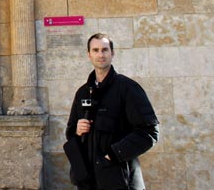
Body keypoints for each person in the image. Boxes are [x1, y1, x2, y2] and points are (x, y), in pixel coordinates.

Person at [64, 33, 159, 190]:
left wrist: (113, 155)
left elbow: (149, 132)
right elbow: (70, 133)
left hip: (120, 179)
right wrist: (77, 131)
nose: (100, 55)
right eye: (95, 50)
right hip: (88, 180)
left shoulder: (128, 88)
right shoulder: (82, 92)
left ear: (112, 53)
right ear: (89, 54)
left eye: (105, 50)